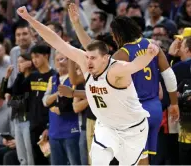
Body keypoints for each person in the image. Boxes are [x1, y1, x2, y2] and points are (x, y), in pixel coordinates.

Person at [16, 6, 160, 165]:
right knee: (97, 161)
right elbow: (56, 41)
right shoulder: (86, 61)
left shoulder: (116, 69)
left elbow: (135, 65)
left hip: (131, 127)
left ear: (105, 59)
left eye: (93, 58)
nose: (88, 62)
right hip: (107, 125)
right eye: (87, 57)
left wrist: (149, 54)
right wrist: (30, 19)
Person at [67, 3, 179, 165]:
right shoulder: (151, 45)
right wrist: (174, 103)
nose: (112, 38)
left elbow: (93, 52)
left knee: (133, 160)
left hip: (135, 112)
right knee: (143, 159)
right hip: (155, 109)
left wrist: (77, 25)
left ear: (119, 34)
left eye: (113, 34)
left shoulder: (122, 55)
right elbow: (169, 75)